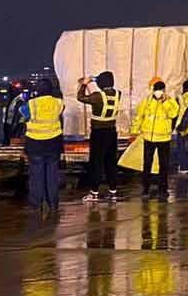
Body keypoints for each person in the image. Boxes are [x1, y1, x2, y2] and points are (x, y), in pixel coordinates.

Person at [131, 76, 179, 201]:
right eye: (156, 90)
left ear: (164, 90)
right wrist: (134, 131)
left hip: (164, 138)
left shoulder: (170, 102)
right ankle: (145, 189)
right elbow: (139, 116)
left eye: (160, 90)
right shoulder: (146, 101)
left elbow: (173, 114)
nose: (158, 93)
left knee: (164, 165)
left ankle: (163, 190)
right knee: (147, 164)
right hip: (149, 138)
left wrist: (165, 102)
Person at [77, 71, 122, 200]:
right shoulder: (118, 94)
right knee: (111, 162)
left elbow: (80, 97)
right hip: (112, 132)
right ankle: (113, 191)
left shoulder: (97, 96)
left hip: (98, 133)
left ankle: (94, 192)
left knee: (96, 162)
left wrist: (84, 85)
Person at [23, 78, 64, 219]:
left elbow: (23, 115)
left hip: (35, 143)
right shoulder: (58, 103)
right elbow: (60, 111)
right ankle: (53, 203)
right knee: (52, 175)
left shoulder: (31, 104)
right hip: (53, 142)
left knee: (36, 175)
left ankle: (36, 204)